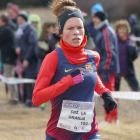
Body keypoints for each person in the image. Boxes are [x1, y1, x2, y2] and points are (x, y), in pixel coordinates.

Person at [32, 0, 117, 139]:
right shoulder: (53, 58)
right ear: (61, 32)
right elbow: (37, 98)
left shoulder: (93, 57)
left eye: (80, 27)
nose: (76, 32)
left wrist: (105, 93)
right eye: (70, 28)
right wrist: (68, 81)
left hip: (89, 132)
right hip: (59, 134)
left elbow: (92, 77)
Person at [93, 11, 119, 124]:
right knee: (109, 93)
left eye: (96, 18)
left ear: (101, 19)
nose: (94, 20)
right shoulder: (103, 30)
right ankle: (112, 118)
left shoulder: (106, 31)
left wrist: (105, 70)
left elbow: (109, 52)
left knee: (108, 93)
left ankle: (110, 119)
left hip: (107, 69)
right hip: (106, 68)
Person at [16, 11, 38, 107]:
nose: (19, 21)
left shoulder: (30, 30)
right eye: (18, 20)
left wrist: (27, 59)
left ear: (25, 20)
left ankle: (33, 101)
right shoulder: (22, 31)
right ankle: (28, 99)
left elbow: (32, 45)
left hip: (31, 61)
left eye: (21, 19)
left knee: (30, 79)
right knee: (26, 80)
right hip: (23, 59)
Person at [115, 19, 140, 91]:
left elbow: (135, 57)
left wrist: (135, 49)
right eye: (120, 29)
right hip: (117, 72)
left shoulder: (130, 41)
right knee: (114, 94)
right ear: (117, 30)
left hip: (128, 70)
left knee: (136, 91)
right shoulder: (113, 41)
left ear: (127, 30)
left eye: (124, 29)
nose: (122, 31)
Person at [0, 14, 18, 104]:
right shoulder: (6, 29)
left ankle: (14, 97)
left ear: (3, 21)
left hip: (8, 57)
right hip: (7, 56)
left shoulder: (5, 30)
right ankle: (13, 96)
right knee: (9, 76)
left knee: (10, 77)